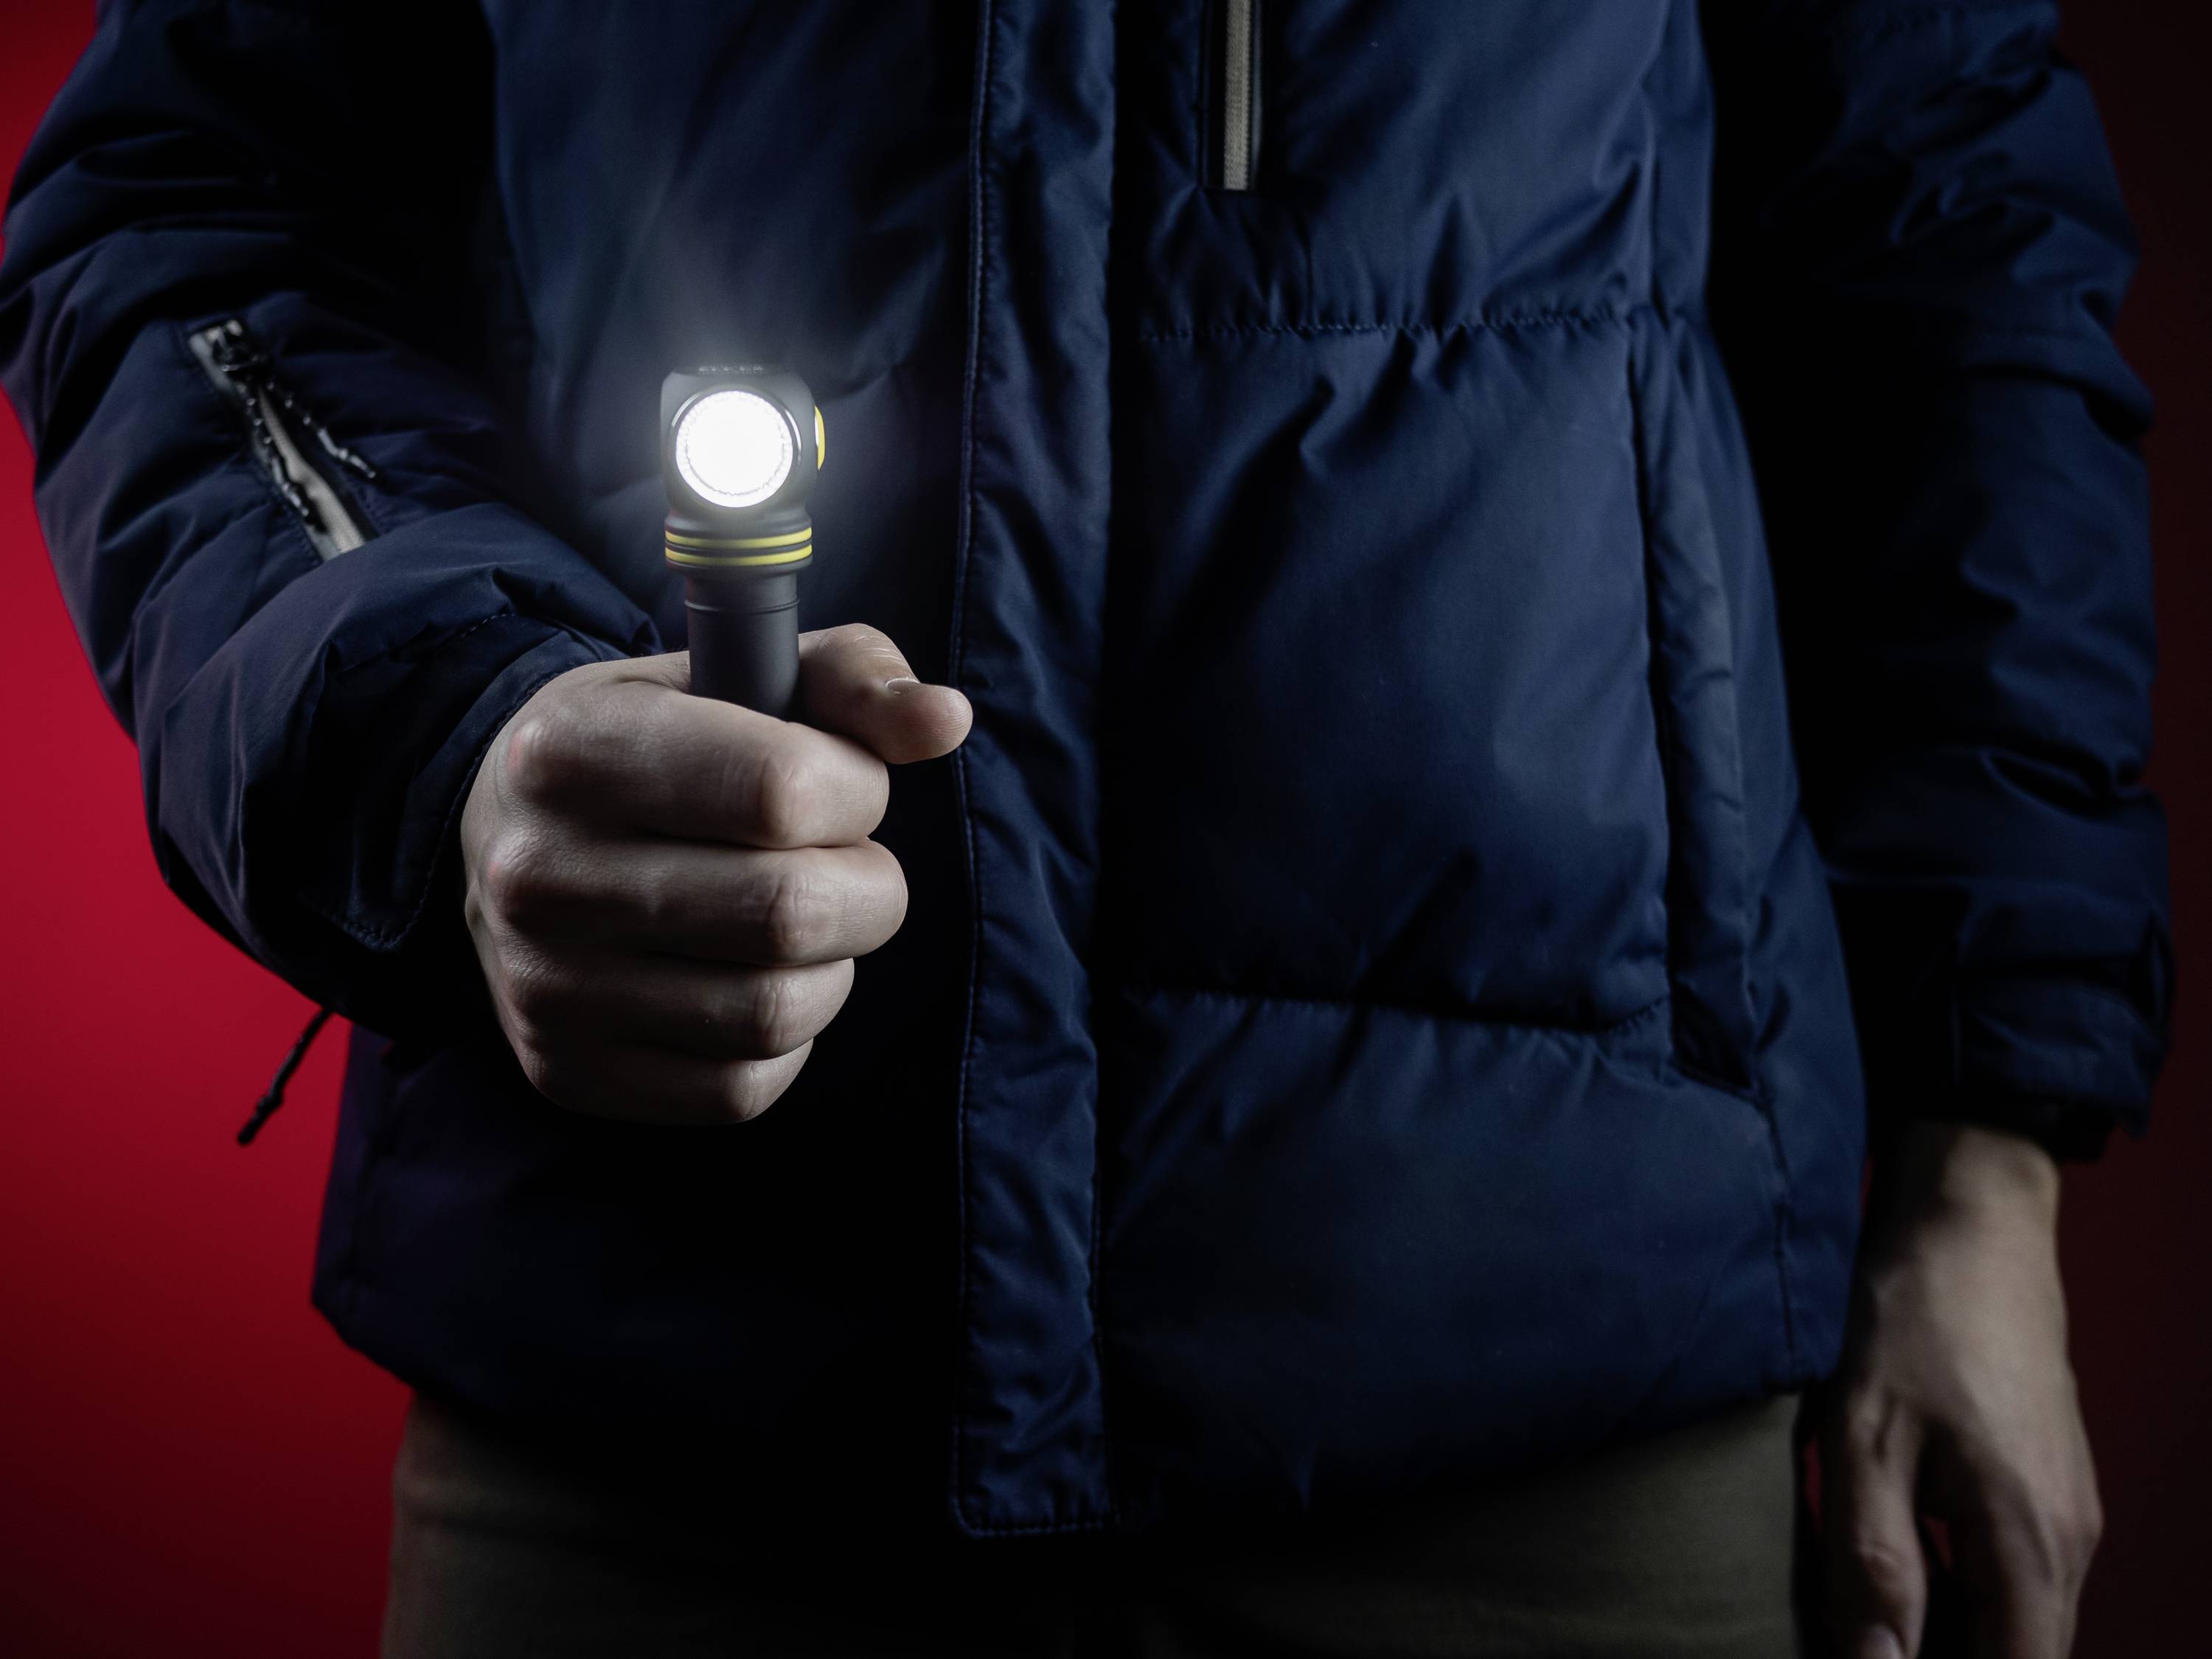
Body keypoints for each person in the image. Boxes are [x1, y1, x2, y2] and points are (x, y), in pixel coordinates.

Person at [0, 3, 2169, 1655]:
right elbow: (195, 214)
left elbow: (1949, 256)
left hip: (1558, 1407)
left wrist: (1986, 1158)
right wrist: (454, 725)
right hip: (660, 1409)